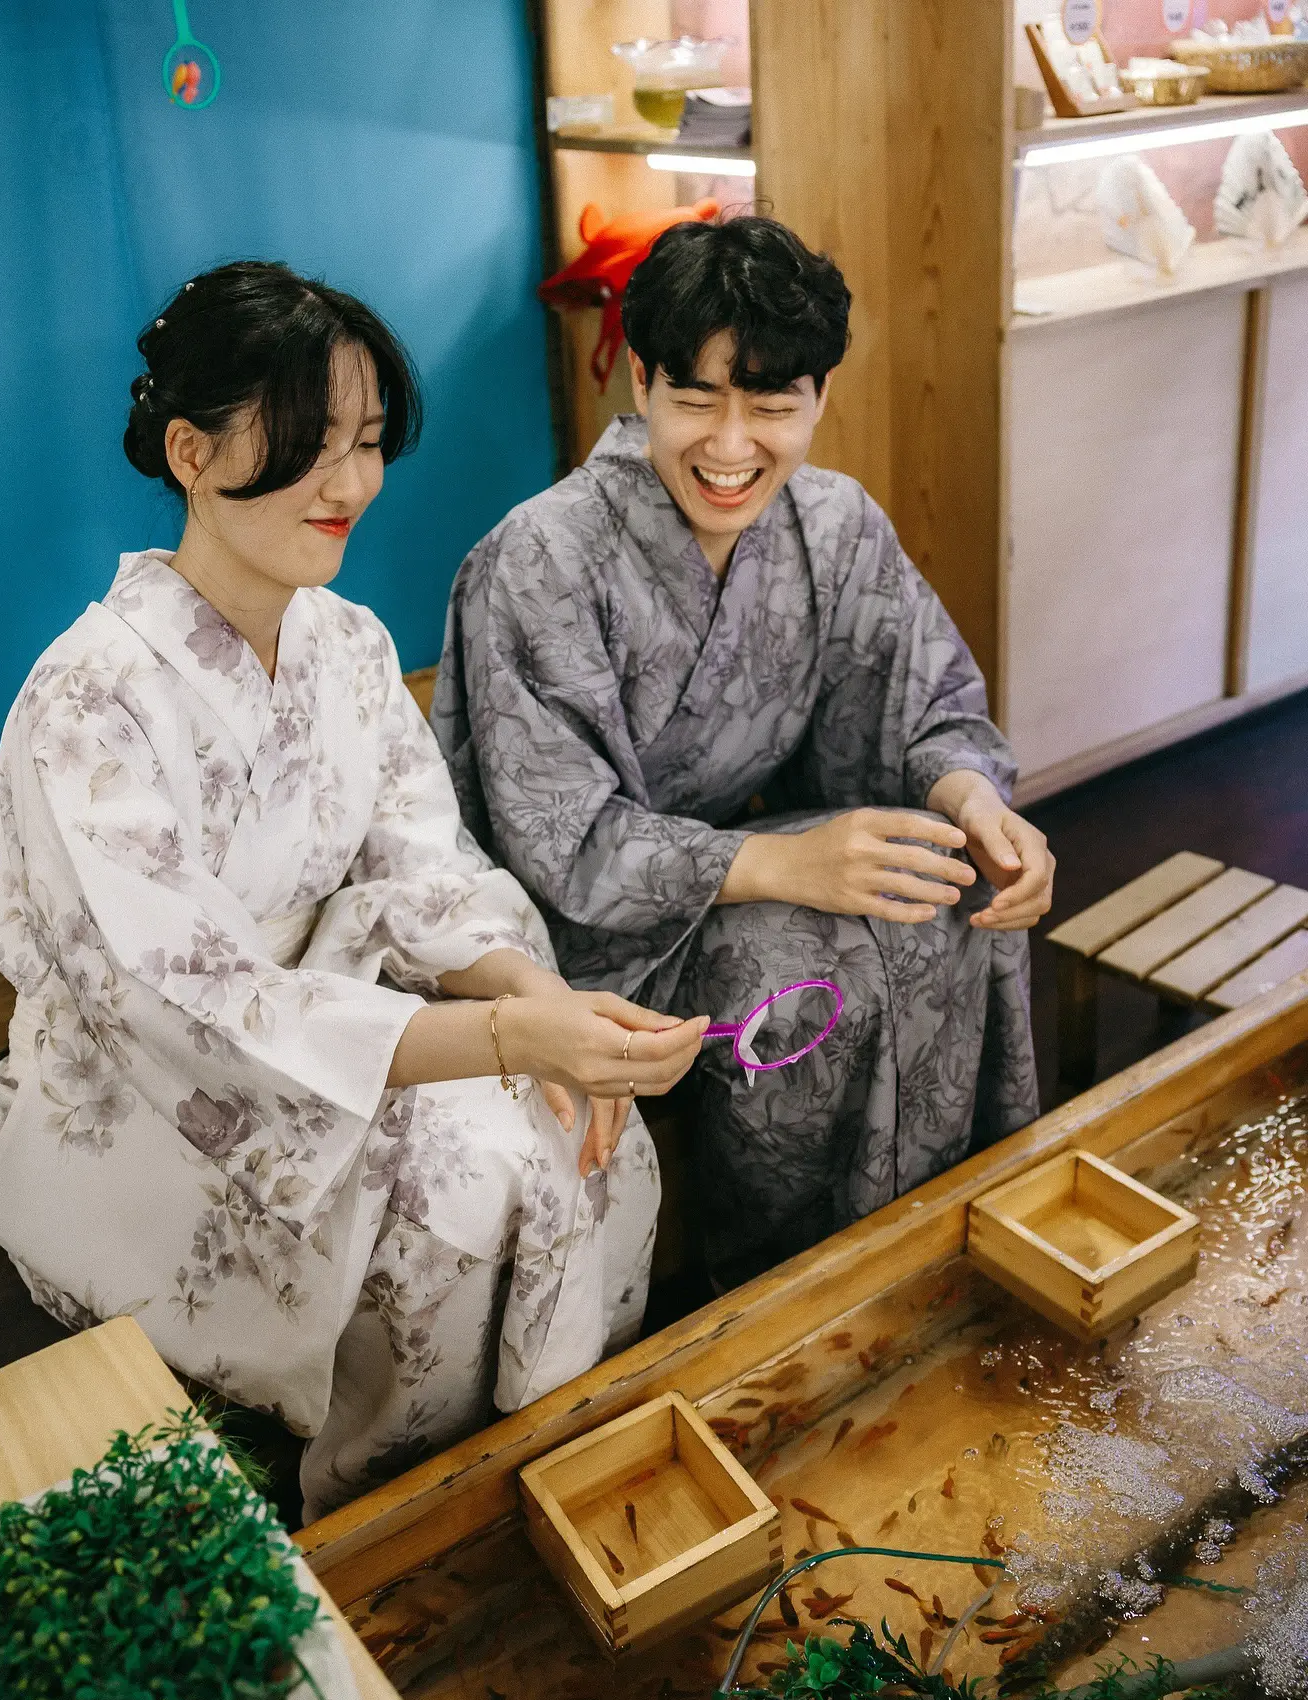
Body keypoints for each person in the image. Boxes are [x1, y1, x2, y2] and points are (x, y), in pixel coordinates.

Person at [0, 261, 705, 1520]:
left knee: (577, 1142)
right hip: (161, 1084)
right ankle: (393, 1522)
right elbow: (176, 997)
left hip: (336, 1012)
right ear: (189, 452)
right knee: (457, 1194)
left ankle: (547, 1465)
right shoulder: (87, 699)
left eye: (364, 443)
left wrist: (537, 995)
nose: (350, 485)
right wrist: (508, 1036)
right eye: (306, 446)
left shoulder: (346, 644)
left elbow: (423, 863)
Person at [433, 216, 1054, 1292]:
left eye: (772, 406)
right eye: (697, 400)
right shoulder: (536, 560)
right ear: (640, 378)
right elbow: (559, 839)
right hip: (582, 931)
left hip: (745, 856)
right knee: (806, 974)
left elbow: (922, 705)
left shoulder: (835, 525)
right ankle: (783, 1291)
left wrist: (973, 801)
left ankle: (950, 1245)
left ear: (817, 397)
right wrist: (779, 867)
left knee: (949, 898)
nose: (731, 448)